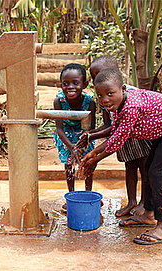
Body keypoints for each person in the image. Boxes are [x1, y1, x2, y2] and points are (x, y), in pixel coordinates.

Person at [81, 68, 162, 245]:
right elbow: (117, 134)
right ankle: (148, 215)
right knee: (149, 169)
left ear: (123, 89)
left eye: (110, 93)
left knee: (158, 174)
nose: (105, 100)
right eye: (100, 95)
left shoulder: (132, 107)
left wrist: (94, 158)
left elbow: (118, 141)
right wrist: (94, 153)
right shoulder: (118, 105)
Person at [77, 55, 151, 217]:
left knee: (145, 169)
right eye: (95, 77)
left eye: (102, 74)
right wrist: (91, 135)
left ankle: (144, 202)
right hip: (122, 139)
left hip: (139, 136)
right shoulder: (104, 97)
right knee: (130, 167)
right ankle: (131, 202)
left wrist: (96, 155)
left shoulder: (128, 93)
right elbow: (109, 126)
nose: (99, 80)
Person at [53, 63, 96, 212]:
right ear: (61, 85)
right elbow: (59, 128)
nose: (70, 87)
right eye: (65, 84)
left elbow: (91, 129)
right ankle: (70, 196)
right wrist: (71, 147)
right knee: (69, 165)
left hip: (85, 134)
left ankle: (89, 194)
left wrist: (81, 146)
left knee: (88, 162)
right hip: (65, 135)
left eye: (75, 83)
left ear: (84, 84)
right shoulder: (59, 101)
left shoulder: (89, 101)